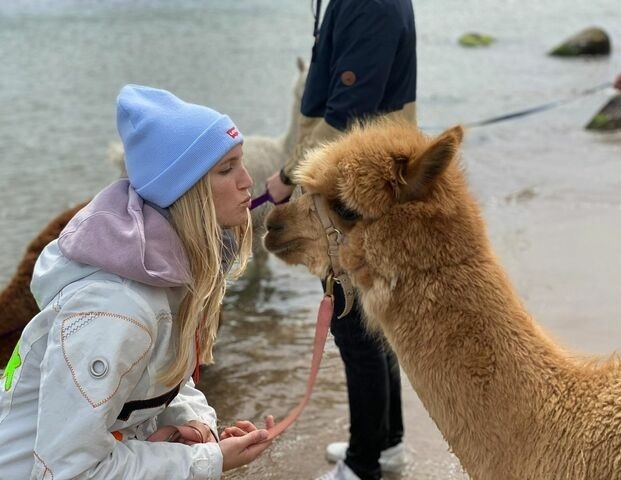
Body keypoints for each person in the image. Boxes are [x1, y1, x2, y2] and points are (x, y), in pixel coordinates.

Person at [0, 84, 274, 479]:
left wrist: (200, 427)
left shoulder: (169, 274)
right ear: (186, 190)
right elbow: (69, 472)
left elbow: (166, 379)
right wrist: (210, 462)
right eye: (226, 169)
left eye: (241, 163)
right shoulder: (114, 311)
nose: (248, 181)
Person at [266, 1, 417, 479]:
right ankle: (386, 443)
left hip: (351, 184)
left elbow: (347, 115)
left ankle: (362, 465)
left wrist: (288, 176)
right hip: (357, 177)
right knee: (371, 323)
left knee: (354, 327)